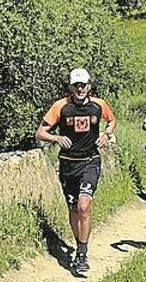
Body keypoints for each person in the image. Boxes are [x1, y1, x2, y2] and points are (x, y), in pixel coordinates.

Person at [35, 68, 116, 274]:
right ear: (71, 87)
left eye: (84, 85)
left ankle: (81, 253)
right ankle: (78, 242)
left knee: (84, 206)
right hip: (68, 165)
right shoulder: (61, 106)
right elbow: (40, 132)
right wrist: (55, 138)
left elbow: (112, 120)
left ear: (89, 85)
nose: (80, 88)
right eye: (76, 85)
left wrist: (107, 134)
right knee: (73, 209)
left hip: (90, 161)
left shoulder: (99, 105)